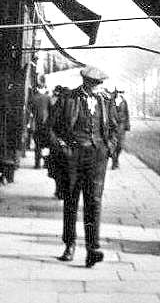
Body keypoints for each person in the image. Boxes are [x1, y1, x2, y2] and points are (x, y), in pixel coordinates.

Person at [50, 66, 118, 267]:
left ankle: (92, 249)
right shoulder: (68, 99)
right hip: (73, 155)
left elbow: (115, 127)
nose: (99, 87)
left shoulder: (105, 101)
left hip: (97, 157)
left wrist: (109, 148)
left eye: (100, 84)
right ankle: (69, 245)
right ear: (87, 83)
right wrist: (63, 148)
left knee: (94, 202)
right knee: (71, 200)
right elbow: (50, 128)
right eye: (96, 84)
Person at [28, 83, 51, 169]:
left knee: (37, 146)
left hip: (36, 124)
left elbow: (29, 110)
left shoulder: (33, 98)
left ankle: (37, 164)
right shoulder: (48, 98)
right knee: (46, 145)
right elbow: (51, 111)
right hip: (46, 125)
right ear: (44, 88)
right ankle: (46, 164)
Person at [109, 89, 130, 170]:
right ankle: (114, 162)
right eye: (118, 92)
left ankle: (116, 158)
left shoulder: (124, 101)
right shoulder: (111, 101)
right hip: (112, 126)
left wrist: (127, 126)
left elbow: (126, 113)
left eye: (121, 92)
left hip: (121, 126)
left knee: (120, 145)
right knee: (113, 145)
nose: (119, 94)